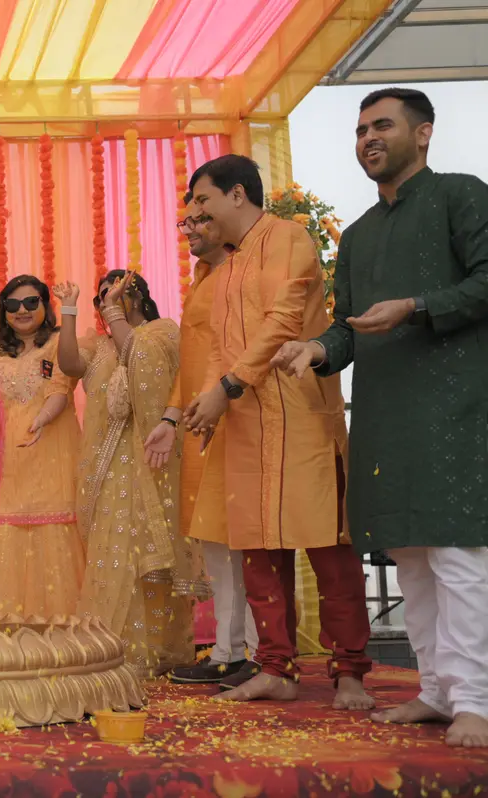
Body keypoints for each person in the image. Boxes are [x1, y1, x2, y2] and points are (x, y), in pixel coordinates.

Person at [272, 88, 488, 746]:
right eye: (361, 129)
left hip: (455, 406)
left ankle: (477, 701)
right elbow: (348, 326)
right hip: (385, 413)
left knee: (456, 554)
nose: (367, 137)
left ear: (423, 133)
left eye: (382, 125)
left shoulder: (460, 195)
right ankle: (438, 691)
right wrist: (316, 349)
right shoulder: (360, 235)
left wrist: (415, 306)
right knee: (410, 556)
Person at [182, 154, 373, 710]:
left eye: (202, 199)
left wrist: (227, 387)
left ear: (237, 194)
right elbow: (219, 349)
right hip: (245, 425)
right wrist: (210, 404)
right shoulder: (227, 267)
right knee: (258, 552)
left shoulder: (288, 238)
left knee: (327, 547)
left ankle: (350, 672)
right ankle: (275, 668)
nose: (197, 212)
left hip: (300, 417)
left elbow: (284, 322)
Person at [54, 273, 207, 677]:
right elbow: (69, 364)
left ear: (136, 297)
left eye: (114, 297)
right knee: (113, 553)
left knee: (147, 555)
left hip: (150, 459)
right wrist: (68, 310)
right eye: (101, 300)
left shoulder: (162, 332)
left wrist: (114, 315)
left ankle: (153, 649)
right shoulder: (97, 345)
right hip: (106, 465)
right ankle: (112, 647)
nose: (106, 306)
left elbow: (139, 359)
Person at [144, 206, 259, 689]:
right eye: (184, 222)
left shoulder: (243, 273)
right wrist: (171, 417)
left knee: (243, 541)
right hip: (198, 424)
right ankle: (230, 652)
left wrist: (214, 401)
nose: (188, 229)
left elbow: (240, 353)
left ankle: (254, 652)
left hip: (234, 418)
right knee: (214, 539)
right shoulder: (204, 278)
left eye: (198, 219)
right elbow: (191, 364)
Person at [0, 275, 83, 618]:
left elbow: (61, 388)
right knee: (8, 526)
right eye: (13, 304)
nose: (22, 310)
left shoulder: (58, 342)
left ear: (45, 305)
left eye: (31, 302)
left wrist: (42, 419)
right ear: (3, 311)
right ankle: (10, 623)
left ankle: (61, 626)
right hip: (7, 458)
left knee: (54, 522)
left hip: (51, 449)